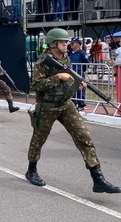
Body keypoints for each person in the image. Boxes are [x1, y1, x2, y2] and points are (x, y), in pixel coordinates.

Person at [26, 28, 121, 193]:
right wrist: (57, 77)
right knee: (38, 140)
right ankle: (31, 170)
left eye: (66, 42)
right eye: (63, 42)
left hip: (66, 104)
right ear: (53, 43)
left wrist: (78, 84)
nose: (66, 44)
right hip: (47, 105)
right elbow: (36, 85)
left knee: (84, 137)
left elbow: (67, 83)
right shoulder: (43, 62)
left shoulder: (66, 59)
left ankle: (98, 179)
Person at [68, 39, 89, 110]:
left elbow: (86, 62)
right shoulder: (70, 53)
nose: (71, 44)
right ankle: (74, 102)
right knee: (72, 87)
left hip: (79, 72)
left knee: (80, 88)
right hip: (71, 72)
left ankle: (81, 104)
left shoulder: (81, 53)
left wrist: (82, 70)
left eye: (73, 43)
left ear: (78, 45)